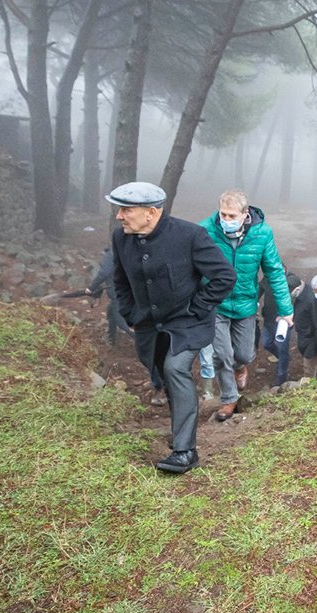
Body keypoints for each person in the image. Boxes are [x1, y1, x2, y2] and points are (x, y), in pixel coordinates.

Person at [109, 181, 236, 474]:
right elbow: (120, 281)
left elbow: (224, 276)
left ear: (151, 212)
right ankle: (182, 426)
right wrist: (129, 312)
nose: (119, 216)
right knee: (160, 372)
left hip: (188, 323)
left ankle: (185, 451)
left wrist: (197, 307)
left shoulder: (190, 236)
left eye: (126, 209)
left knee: (175, 368)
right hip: (147, 325)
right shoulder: (121, 239)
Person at [200, 189, 294, 421]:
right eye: (223, 214)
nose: (226, 220)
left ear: (245, 214)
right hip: (215, 302)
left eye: (232, 216)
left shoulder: (262, 233)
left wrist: (286, 309)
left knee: (242, 353)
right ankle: (229, 398)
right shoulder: (205, 230)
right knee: (221, 354)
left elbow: (273, 270)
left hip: (245, 303)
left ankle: (241, 366)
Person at [258, 267, 301, 386]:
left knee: (283, 349)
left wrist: (278, 280)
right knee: (266, 343)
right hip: (269, 319)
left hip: (283, 322)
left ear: (284, 269)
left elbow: (296, 282)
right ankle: (284, 359)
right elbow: (259, 290)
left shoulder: (291, 279)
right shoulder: (267, 279)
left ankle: (282, 376)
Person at [85, 246, 133, 347]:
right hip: (125, 292)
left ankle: (145, 341)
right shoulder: (119, 255)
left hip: (118, 294)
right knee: (111, 313)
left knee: (120, 321)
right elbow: (104, 283)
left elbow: (103, 273)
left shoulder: (108, 257)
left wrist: (90, 288)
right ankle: (111, 339)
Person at [291, 273, 317, 379]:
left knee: (308, 367)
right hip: (305, 335)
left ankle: (309, 385)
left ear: (297, 289)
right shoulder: (301, 295)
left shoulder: (310, 300)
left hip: (310, 339)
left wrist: (308, 333)